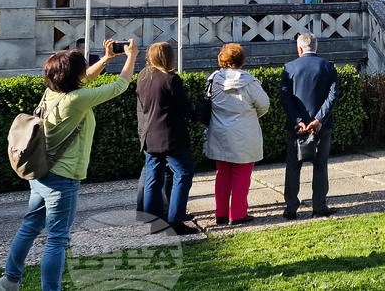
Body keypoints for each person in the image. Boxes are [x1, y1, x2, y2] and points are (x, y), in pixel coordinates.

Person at [0, 40, 137, 291]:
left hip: (42, 172)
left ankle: (10, 280)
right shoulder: (75, 100)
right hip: (63, 178)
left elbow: (86, 78)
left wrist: (105, 59)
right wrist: (132, 56)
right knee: (57, 240)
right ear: (74, 75)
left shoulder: (53, 92)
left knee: (30, 227)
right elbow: (120, 85)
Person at [204, 43, 270, 226]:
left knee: (222, 173)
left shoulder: (213, 80)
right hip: (244, 132)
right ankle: (238, 214)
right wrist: (249, 116)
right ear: (242, 60)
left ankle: (221, 213)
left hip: (219, 132)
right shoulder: (250, 82)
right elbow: (264, 105)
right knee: (242, 173)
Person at [136, 42, 197, 235]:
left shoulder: (142, 77)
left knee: (153, 178)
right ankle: (176, 220)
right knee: (183, 174)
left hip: (150, 134)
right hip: (171, 135)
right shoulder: (171, 79)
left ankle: (154, 222)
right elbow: (184, 107)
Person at [281, 32, 340, 219]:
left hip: (296, 127)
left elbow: (285, 98)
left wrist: (298, 120)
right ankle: (319, 206)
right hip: (322, 125)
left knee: (293, 166)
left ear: (299, 49)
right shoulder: (328, 66)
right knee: (320, 165)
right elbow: (333, 96)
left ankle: (291, 208)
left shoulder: (289, 68)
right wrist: (319, 119)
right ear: (316, 47)